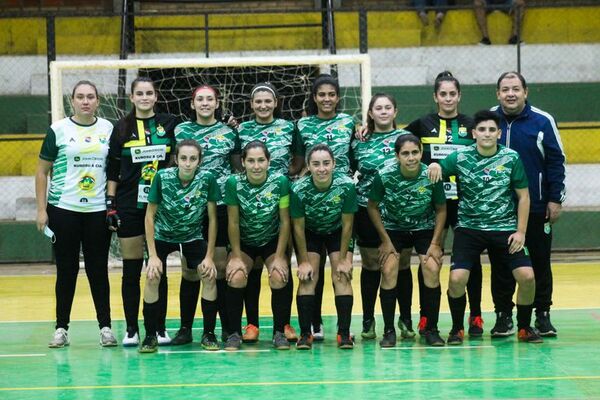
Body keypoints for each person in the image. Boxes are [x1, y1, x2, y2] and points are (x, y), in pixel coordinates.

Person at [428, 109, 542, 345]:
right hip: (469, 229)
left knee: (527, 277)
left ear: (499, 133)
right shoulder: (461, 157)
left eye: (491, 130)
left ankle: (524, 327)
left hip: (504, 229)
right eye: (482, 130)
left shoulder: (511, 158)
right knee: (457, 279)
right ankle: (458, 328)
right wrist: (435, 166)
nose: (487, 134)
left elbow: (524, 197)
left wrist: (520, 231)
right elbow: (436, 168)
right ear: (474, 133)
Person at [36, 80, 116, 348]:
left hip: (97, 211)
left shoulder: (108, 129)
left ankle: (105, 327)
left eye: (90, 96)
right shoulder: (57, 130)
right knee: (66, 270)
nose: (85, 101)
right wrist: (40, 210)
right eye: (80, 97)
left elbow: (114, 169)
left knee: (98, 270)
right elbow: (41, 172)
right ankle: (61, 328)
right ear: (72, 100)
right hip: (63, 210)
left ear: (98, 101)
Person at [404, 71, 484, 338]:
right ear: (435, 97)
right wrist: (367, 126)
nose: (448, 98)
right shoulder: (422, 124)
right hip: (432, 203)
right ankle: (427, 318)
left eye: (452, 94)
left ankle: (475, 315)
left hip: (466, 202)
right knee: (429, 259)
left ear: (459, 96)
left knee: (469, 260)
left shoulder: (472, 125)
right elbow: (395, 140)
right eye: (443, 94)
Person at [493, 71, 565, 337]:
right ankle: (503, 315)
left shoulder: (543, 121)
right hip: (499, 210)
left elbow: (556, 161)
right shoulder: (490, 120)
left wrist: (555, 199)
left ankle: (542, 314)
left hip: (535, 207)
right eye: (505, 89)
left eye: (515, 89)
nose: (510, 94)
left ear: (526, 92)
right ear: (497, 93)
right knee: (501, 264)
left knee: (539, 262)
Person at [107, 77, 178, 347]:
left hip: (161, 206)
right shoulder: (121, 128)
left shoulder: (170, 123)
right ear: (132, 97)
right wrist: (110, 204)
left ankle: (159, 328)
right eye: (140, 93)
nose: (145, 97)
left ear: (156, 96)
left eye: (149, 93)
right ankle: (131, 329)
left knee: (157, 268)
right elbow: (113, 169)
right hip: (129, 205)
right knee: (132, 269)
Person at [173, 84, 241, 344]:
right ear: (192, 104)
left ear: (217, 103)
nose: (204, 103)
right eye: (199, 99)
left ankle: (220, 328)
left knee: (219, 269)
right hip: (190, 209)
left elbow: (235, 168)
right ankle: (185, 328)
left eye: (209, 99)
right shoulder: (181, 131)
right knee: (191, 270)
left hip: (221, 206)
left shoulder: (229, 132)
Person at [138, 139, 220, 353]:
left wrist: (209, 256)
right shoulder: (162, 178)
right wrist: (153, 256)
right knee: (153, 275)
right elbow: (149, 216)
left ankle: (208, 333)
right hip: (162, 236)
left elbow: (213, 219)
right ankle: (150, 335)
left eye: (193, 159)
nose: (187, 163)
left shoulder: (207, 179)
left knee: (208, 273)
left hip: (192, 236)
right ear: (176, 159)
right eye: (183, 158)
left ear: (199, 161)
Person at [236, 82, 302, 344]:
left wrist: (286, 177)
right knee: (252, 270)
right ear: (251, 105)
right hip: (251, 205)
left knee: (280, 265)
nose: (263, 105)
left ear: (275, 103)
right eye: (258, 101)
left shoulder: (288, 127)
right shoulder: (241, 130)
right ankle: (251, 323)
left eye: (268, 101)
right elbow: (234, 159)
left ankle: (283, 324)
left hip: (280, 201)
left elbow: (298, 158)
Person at [368, 134, 447, 348]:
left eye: (415, 152)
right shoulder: (384, 176)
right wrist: (385, 241)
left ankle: (431, 328)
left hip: (424, 227)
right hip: (394, 227)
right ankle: (389, 330)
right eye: (405, 153)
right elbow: (372, 206)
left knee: (431, 267)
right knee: (389, 268)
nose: (411, 157)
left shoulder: (431, 174)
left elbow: (441, 209)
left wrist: (435, 243)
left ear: (421, 153)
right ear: (397, 156)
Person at [297, 73, 355, 341]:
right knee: (310, 272)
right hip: (311, 212)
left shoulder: (349, 123)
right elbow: (296, 159)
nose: (327, 98)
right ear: (314, 97)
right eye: (322, 94)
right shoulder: (303, 125)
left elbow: (358, 150)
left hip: (338, 203)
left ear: (338, 97)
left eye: (332, 94)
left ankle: (344, 332)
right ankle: (310, 328)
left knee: (341, 271)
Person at [349, 93, 412, 341]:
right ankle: (368, 319)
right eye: (378, 108)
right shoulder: (359, 141)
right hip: (366, 209)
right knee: (372, 265)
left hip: (400, 211)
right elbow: (348, 169)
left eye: (388, 107)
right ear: (371, 114)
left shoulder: (406, 139)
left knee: (402, 264)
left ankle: (405, 318)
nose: (383, 111)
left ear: (395, 111)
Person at [223, 141, 291, 351]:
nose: (256, 165)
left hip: (271, 240)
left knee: (279, 275)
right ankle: (234, 333)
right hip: (244, 242)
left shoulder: (280, 182)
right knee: (236, 276)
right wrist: (234, 256)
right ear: (242, 162)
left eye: (261, 160)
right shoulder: (234, 183)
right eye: (250, 161)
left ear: (269, 161)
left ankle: (280, 331)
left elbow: (285, 221)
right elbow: (233, 222)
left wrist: (280, 256)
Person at [292, 144, 357, 350]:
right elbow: (299, 229)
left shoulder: (346, 186)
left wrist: (346, 260)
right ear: (309, 166)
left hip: (337, 231)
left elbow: (348, 225)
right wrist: (302, 262)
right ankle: (305, 334)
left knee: (342, 275)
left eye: (326, 163)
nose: (322, 169)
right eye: (316, 164)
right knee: (308, 277)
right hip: (311, 232)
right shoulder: (299, 189)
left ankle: (344, 333)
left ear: (334, 164)